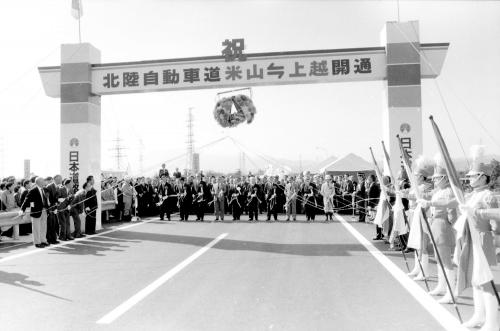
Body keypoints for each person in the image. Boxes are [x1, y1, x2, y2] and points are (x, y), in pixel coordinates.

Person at [458, 146, 499, 330]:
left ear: (483, 177)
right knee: (476, 281)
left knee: (486, 283)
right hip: (472, 239)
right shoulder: (472, 195)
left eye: (474, 175)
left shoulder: (488, 195)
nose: (470, 178)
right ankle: (478, 315)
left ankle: (492, 322)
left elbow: (496, 223)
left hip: (484, 239)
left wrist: (478, 212)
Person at [418, 154, 458, 303]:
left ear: (445, 178)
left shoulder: (448, 192)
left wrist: (450, 226)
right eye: (434, 177)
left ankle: (451, 291)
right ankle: (441, 286)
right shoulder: (438, 191)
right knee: (438, 258)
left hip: (443, 227)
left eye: (437, 177)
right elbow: (426, 195)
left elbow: (452, 214)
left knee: (446, 260)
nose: (434, 179)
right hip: (435, 225)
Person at [20, 177, 50, 248]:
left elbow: (47, 199)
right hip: (36, 211)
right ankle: (37, 242)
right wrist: (22, 210)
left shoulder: (45, 189)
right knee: (36, 228)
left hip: (44, 210)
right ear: (39, 182)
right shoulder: (33, 190)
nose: (44, 182)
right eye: (43, 181)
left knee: (43, 227)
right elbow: (26, 200)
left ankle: (43, 240)